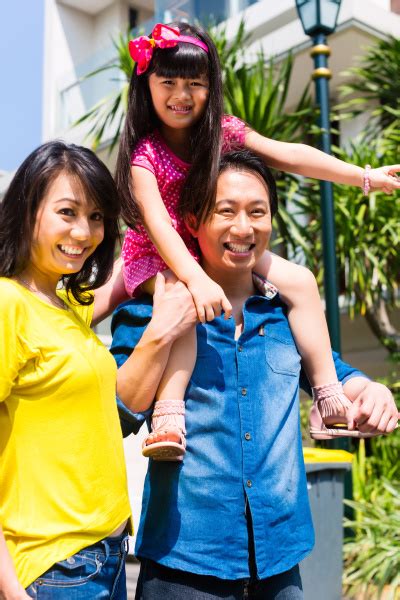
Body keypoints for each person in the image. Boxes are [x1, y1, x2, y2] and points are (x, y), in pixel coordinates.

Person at [111, 150, 399, 600]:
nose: (243, 227)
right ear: (191, 222)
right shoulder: (152, 309)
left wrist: (370, 389)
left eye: (257, 212)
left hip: (280, 563)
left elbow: (334, 374)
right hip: (182, 566)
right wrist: (161, 333)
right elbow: (116, 416)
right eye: (225, 211)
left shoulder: (289, 313)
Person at [114, 21, 400, 460]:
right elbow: (159, 228)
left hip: (212, 247)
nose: (181, 94)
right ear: (145, 85)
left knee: (302, 279)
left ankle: (326, 396)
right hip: (163, 257)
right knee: (182, 304)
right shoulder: (144, 157)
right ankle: (170, 416)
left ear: (211, 87)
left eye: (195, 83)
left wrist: (362, 175)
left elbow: (290, 154)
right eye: (167, 81)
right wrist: (196, 279)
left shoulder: (222, 133)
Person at [0, 141, 131, 599]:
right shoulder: (7, 303)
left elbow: (123, 274)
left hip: (106, 560)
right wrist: (8, 587)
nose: (85, 232)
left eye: (96, 217)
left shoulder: (65, 303)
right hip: (56, 570)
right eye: (68, 212)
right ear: (27, 209)